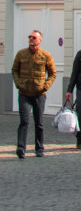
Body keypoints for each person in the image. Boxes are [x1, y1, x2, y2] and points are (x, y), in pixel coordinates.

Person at [12, 30, 57, 159]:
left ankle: (39, 148)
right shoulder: (21, 54)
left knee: (39, 123)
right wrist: (18, 83)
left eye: (34, 37)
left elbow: (53, 73)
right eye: (30, 37)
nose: (31, 39)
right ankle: (21, 148)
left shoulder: (45, 55)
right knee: (24, 121)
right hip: (24, 93)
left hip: (39, 94)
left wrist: (45, 86)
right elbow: (14, 70)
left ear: (40, 40)